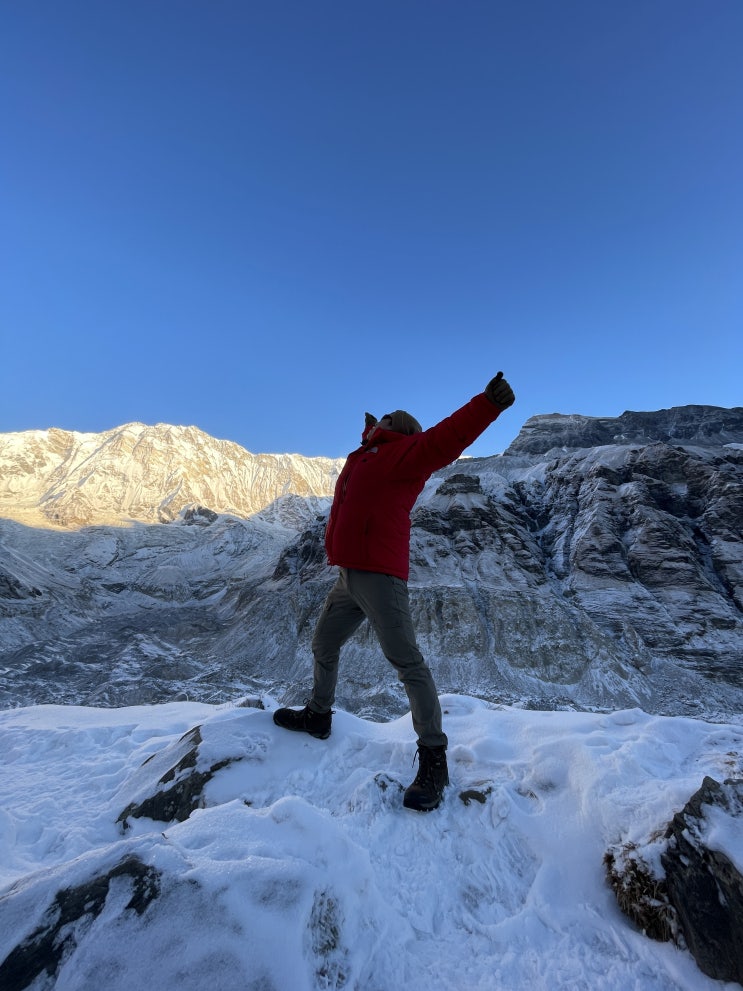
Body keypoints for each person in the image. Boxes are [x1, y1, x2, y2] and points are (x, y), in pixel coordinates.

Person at [273, 372, 516, 811]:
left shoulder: (405, 456)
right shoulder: (368, 455)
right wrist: (369, 432)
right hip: (348, 575)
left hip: (380, 577)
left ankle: (434, 759)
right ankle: (318, 716)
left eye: (386, 419)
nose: (380, 420)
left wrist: (487, 405)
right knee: (324, 642)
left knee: (408, 663)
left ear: (397, 431)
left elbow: (445, 439)